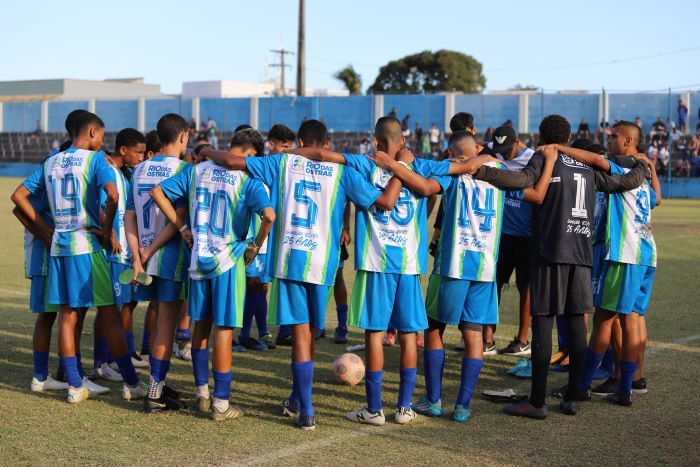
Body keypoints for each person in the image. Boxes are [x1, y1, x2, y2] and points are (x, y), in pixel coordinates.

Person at [200, 119, 394, 431]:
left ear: (300, 140)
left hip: (290, 260)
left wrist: (207, 149)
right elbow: (383, 202)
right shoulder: (343, 170)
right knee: (310, 332)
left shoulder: (282, 162)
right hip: (323, 264)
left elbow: (234, 161)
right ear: (327, 144)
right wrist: (398, 167)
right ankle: (297, 400)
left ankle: (305, 409)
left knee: (300, 333)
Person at [474, 114, 647, 419]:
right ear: (569, 138)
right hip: (581, 253)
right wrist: (643, 166)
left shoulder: (545, 158)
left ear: (543, 137)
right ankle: (573, 396)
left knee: (543, 323)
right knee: (576, 322)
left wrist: (484, 173)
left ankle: (537, 402)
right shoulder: (587, 167)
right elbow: (622, 183)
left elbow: (520, 181)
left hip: (549, 251)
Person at [289, 116, 432, 426]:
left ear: (376, 142)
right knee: (409, 335)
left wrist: (287, 153)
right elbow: (441, 182)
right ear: (403, 142)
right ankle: (404, 407)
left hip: (375, 264)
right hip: (408, 266)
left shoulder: (364, 165)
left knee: (374, 335)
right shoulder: (417, 168)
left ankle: (374, 409)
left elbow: (324, 155)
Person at [11, 111, 146, 404]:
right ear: (93, 132)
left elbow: (18, 196)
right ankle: (132, 382)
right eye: (102, 136)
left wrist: (48, 231)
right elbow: (112, 196)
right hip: (86, 245)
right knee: (110, 313)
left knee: (67, 317)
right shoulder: (95, 160)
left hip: (59, 246)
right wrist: (107, 229)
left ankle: (74, 384)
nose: (103, 142)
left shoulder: (51, 161)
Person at [151, 129, 275, 421]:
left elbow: (157, 192)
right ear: (253, 153)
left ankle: (202, 393)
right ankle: (221, 404)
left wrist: (182, 229)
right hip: (228, 260)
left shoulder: (197, 171)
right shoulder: (249, 178)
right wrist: (255, 245)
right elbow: (269, 216)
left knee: (201, 328)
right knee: (224, 330)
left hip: (199, 258)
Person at [548, 121, 660, 406]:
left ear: (628, 142)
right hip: (647, 255)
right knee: (631, 318)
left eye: (614, 137)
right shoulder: (643, 177)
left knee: (603, 321)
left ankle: (584, 386)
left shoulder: (626, 169)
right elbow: (657, 199)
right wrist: (652, 169)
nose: (609, 140)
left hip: (626, 255)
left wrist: (559, 148)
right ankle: (625, 388)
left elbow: (598, 160)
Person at [12, 109, 89, 393]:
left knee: (70, 312)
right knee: (54, 314)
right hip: (49, 252)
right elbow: (19, 205)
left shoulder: (63, 163)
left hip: (59, 248)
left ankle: (58, 372)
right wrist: (46, 234)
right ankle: (45, 376)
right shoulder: (55, 164)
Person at [125, 113, 191, 413]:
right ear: (183, 137)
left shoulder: (139, 169)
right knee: (166, 326)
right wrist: (150, 251)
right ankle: (154, 393)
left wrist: (137, 254)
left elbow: (129, 216)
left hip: (142, 258)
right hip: (169, 257)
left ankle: (159, 384)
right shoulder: (184, 170)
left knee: (156, 323)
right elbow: (178, 220)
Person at [96, 128, 149, 375]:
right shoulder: (107, 170)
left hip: (125, 253)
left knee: (116, 309)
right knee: (109, 310)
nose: (140, 157)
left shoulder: (124, 174)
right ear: (124, 150)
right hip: (112, 253)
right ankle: (102, 362)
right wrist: (111, 233)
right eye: (137, 152)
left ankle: (112, 360)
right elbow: (98, 204)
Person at [489, 126, 537, 357]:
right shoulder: (494, 157)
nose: (504, 154)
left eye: (508, 149)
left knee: (525, 288)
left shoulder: (533, 159)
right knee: (492, 284)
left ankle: (523, 339)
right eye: (501, 150)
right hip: (501, 235)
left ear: (518, 141)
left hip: (527, 237)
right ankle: (488, 338)